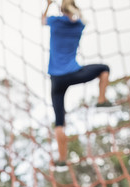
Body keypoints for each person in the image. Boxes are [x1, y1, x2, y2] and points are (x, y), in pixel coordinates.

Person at [42, 0, 113, 166]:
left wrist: (48, 5)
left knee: (59, 121)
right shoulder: (79, 26)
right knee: (104, 68)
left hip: (56, 79)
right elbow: (82, 20)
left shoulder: (55, 22)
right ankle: (101, 100)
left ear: (61, 9)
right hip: (74, 73)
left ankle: (62, 159)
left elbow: (43, 20)